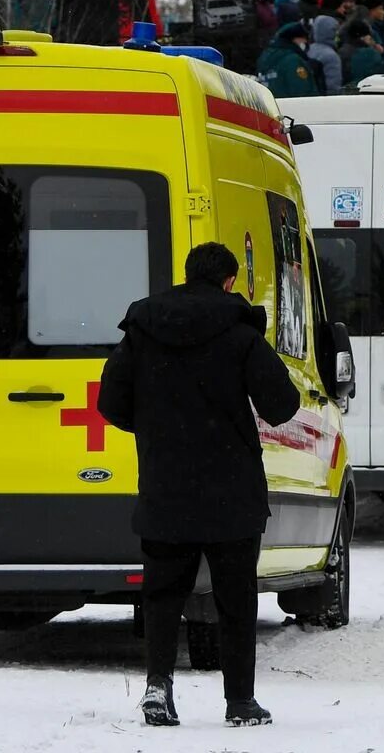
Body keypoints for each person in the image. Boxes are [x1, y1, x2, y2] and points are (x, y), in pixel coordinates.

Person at [98, 242, 299, 729]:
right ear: (229, 281)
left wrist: (155, 428)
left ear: (187, 276)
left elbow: (110, 402)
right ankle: (240, 702)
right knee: (235, 598)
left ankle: (157, 688)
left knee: (163, 594)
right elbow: (282, 404)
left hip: (167, 484)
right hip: (232, 491)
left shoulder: (142, 328)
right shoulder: (239, 331)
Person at [255, 20, 320, 99]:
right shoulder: (293, 60)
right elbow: (301, 90)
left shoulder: (264, 58)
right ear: (294, 39)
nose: (306, 42)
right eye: (303, 38)